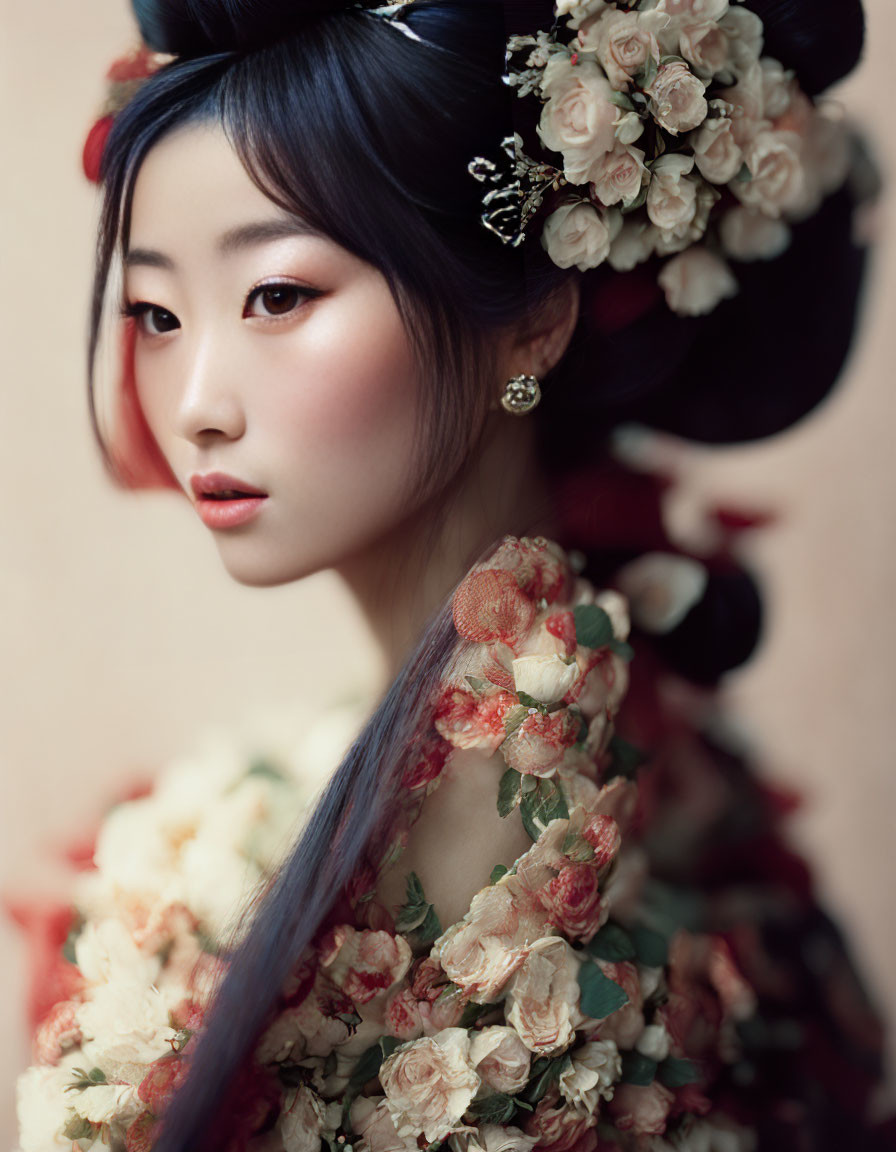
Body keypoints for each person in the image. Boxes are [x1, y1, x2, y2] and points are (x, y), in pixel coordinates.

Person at [12, 1, 893, 1150]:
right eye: (156, 314)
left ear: (530, 322)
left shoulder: (534, 855)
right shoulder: (587, 747)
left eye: (277, 296)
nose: (195, 406)